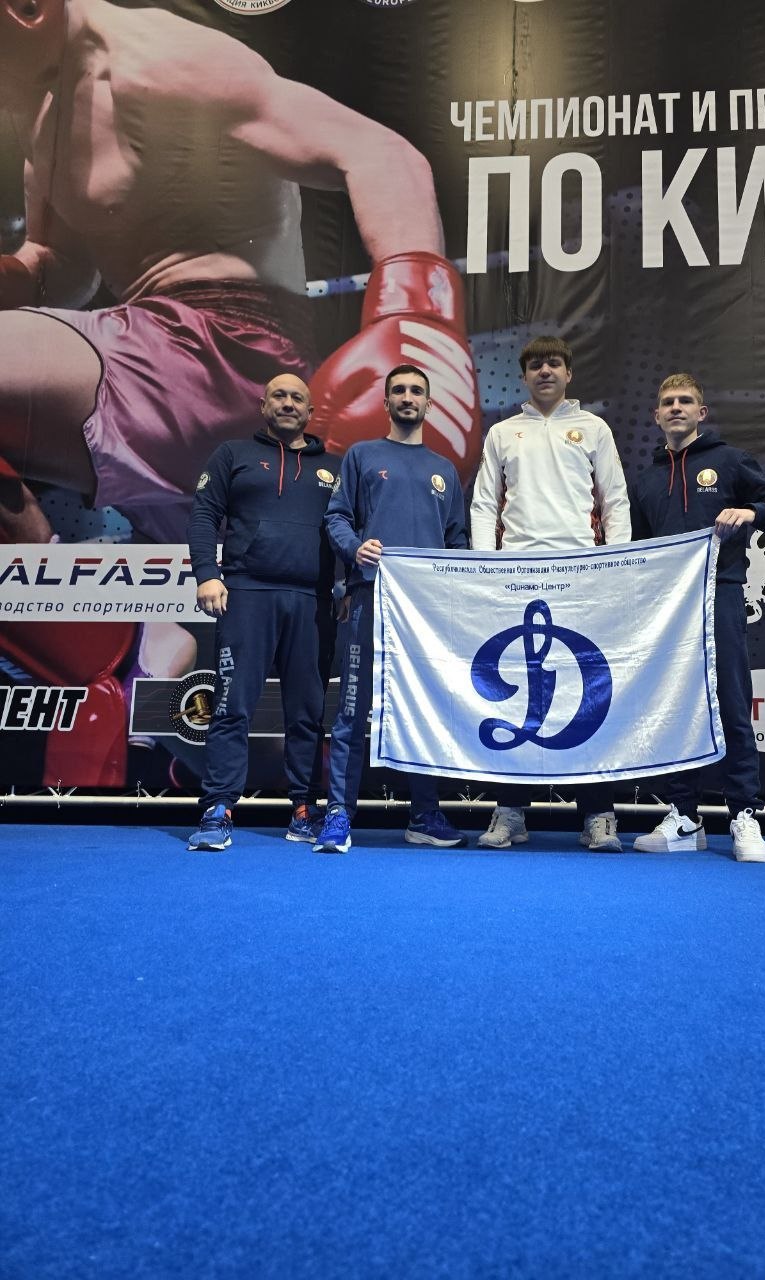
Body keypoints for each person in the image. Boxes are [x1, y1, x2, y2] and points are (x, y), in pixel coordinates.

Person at [0, 0, 481, 781]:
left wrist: (419, 322)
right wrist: (19, 272)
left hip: (226, 348)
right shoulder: (39, 101)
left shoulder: (164, 61)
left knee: (289, 628)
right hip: (133, 351)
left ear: (25, 9)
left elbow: (380, 152)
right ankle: (117, 677)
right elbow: (62, 265)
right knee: (203, 635)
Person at [469, 335, 632, 851]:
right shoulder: (503, 432)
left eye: (554, 364)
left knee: (590, 692)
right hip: (517, 573)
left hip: (581, 573)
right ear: (523, 376)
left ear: (569, 373)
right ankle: (510, 812)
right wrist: (488, 568)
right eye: (536, 365)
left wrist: (614, 566)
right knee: (520, 691)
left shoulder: (594, 429)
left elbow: (615, 500)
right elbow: (483, 503)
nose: (545, 371)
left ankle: (599, 814)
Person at [630, 373, 765, 863]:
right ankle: (685, 817)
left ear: (701, 413)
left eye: (685, 401)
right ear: (656, 416)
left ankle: (745, 815)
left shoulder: (730, 460)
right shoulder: (646, 480)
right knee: (677, 708)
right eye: (667, 402)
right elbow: (639, 550)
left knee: (731, 703)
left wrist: (750, 513)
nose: (676, 408)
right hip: (668, 608)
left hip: (720, 593)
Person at [313, 365, 469, 854]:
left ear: (429, 404)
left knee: (425, 710)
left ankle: (424, 815)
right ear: (385, 403)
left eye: (416, 391)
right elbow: (337, 517)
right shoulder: (362, 455)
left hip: (426, 613)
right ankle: (338, 814)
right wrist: (354, 548)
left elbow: (458, 542)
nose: (407, 397)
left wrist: (451, 585)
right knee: (352, 709)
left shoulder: (444, 469)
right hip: (370, 599)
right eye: (398, 390)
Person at [185, 373, 341, 851]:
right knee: (231, 706)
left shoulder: (334, 468)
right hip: (247, 594)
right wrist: (207, 572)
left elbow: (351, 529)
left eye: (297, 398)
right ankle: (218, 809)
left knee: (307, 713)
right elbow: (204, 514)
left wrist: (350, 586)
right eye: (279, 396)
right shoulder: (232, 455)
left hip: (312, 601)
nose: (288, 403)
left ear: (310, 411)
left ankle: (303, 810)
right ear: (263, 404)